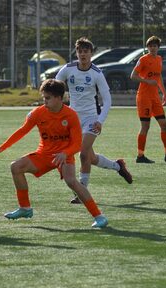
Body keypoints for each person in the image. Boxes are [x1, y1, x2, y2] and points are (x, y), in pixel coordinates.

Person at [0, 79, 108, 228]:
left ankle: (99, 216)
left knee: (71, 181)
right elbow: (22, 130)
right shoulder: (38, 113)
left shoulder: (71, 115)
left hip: (64, 155)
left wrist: (65, 154)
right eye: (43, 98)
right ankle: (25, 208)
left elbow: (77, 144)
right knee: (15, 167)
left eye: (48, 98)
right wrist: (2, 147)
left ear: (59, 98)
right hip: (44, 155)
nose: (44, 101)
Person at [56, 37, 132, 204]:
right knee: (91, 157)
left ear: (91, 53)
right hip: (73, 120)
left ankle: (81, 192)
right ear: (76, 53)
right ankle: (118, 166)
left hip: (91, 118)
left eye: (86, 51)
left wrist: (100, 120)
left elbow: (107, 99)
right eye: (80, 51)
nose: (83, 54)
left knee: (83, 153)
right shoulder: (68, 69)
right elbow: (54, 87)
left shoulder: (97, 73)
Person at [130, 36, 166, 164]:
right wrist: (146, 81)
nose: (152, 48)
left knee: (164, 124)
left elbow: (159, 77)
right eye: (150, 46)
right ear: (147, 47)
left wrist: (164, 93)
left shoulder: (159, 59)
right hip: (144, 97)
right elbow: (133, 76)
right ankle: (140, 156)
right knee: (145, 127)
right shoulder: (143, 60)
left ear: (158, 47)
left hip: (155, 98)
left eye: (155, 46)